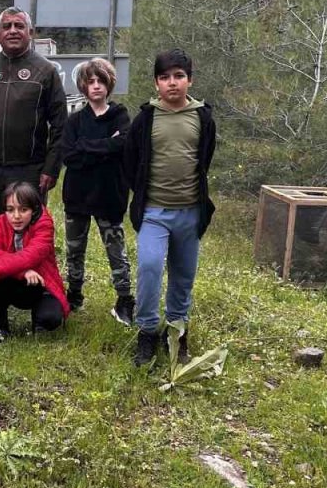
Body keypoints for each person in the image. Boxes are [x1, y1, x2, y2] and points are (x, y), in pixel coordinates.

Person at [0, 7, 68, 311]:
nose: (12, 30)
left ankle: (33, 286)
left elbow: (60, 125)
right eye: (6, 26)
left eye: (19, 26)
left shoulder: (45, 71)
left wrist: (51, 167)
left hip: (30, 167)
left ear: (30, 33)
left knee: (29, 228)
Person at [124, 49, 217, 367]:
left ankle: (176, 333)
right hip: (154, 212)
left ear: (190, 80)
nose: (172, 83)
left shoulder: (202, 117)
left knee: (183, 276)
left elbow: (204, 158)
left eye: (179, 76)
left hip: (190, 212)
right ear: (156, 83)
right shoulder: (146, 118)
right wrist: (143, 195)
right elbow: (131, 159)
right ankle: (147, 332)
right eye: (165, 77)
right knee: (149, 267)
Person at [59, 57, 134, 324]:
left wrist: (86, 146)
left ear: (109, 84)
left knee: (116, 251)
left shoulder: (120, 115)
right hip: (77, 196)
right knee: (74, 250)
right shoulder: (75, 119)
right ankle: (74, 294)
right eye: (90, 82)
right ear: (83, 86)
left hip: (109, 195)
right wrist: (105, 146)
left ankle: (125, 299)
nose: (96, 86)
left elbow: (124, 146)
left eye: (100, 81)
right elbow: (69, 156)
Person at [0, 181, 69, 342]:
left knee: (51, 319)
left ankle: (39, 321)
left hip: (42, 284)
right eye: (10, 210)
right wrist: (23, 271)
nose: (16, 216)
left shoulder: (44, 223)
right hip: (15, 282)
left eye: (23, 209)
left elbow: (31, 256)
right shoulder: (0, 222)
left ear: (34, 209)